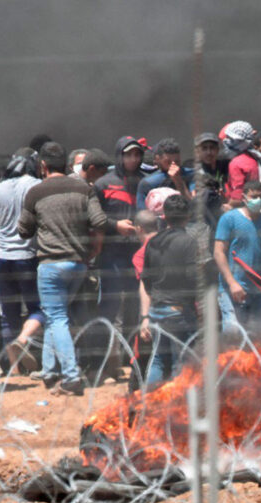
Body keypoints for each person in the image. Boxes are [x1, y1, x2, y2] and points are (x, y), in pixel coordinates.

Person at [18, 142, 108, 395]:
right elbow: (99, 221)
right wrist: (97, 247)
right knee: (53, 314)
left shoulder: (36, 192)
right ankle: (49, 371)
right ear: (67, 166)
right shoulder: (83, 188)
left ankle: (70, 377)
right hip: (78, 264)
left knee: (56, 317)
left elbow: (23, 230)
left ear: (43, 166)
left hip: (51, 265)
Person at [0, 148, 44, 372]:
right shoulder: (36, 185)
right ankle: (24, 339)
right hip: (27, 257)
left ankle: (15, 371)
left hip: (2, 258)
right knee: (40, 308)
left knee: (8, 314)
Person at [93, 136, 146, 382]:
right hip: (111, 254)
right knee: (110, 307)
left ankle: (134, 361)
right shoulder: (103, 183)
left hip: (138, 254)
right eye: (128, 154)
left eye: (137, 154)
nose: (133, 159)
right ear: (119, 156)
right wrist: (116, 225)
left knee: (137, 306)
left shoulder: (145, 182)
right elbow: (93, 218)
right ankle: (106, 364)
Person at [138, 195, 198, 389]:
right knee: (181, 362)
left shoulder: (154, 242)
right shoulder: (188, 242)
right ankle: (177, 406)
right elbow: (192, 277)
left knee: (157, 359)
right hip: (179, 311)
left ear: (164, 216)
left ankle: (149, 404)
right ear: (187, 216)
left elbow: (146, 279)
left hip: (157, 310)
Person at [213, 180, 261, 332]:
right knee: (233, 333)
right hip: (232, 288)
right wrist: (232, 283)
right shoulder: (229, 218)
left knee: (258, 337)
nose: (258, 200)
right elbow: (218, 252)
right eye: (254, 196)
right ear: (244, 197)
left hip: (258, 289)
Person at [136, 138, 191, 211]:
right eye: (168, 162)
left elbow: (193, 207)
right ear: (157, 159)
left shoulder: (190, 175)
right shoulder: (148, 183)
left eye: (177, 161)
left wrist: (179, 181)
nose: (173, 165)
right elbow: (143, 214)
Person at [224, 120, 261, 207]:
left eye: (230, 139)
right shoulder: (256, 157)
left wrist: (227, 208)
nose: (226, 141)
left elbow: (238, 196)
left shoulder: (236, 163)